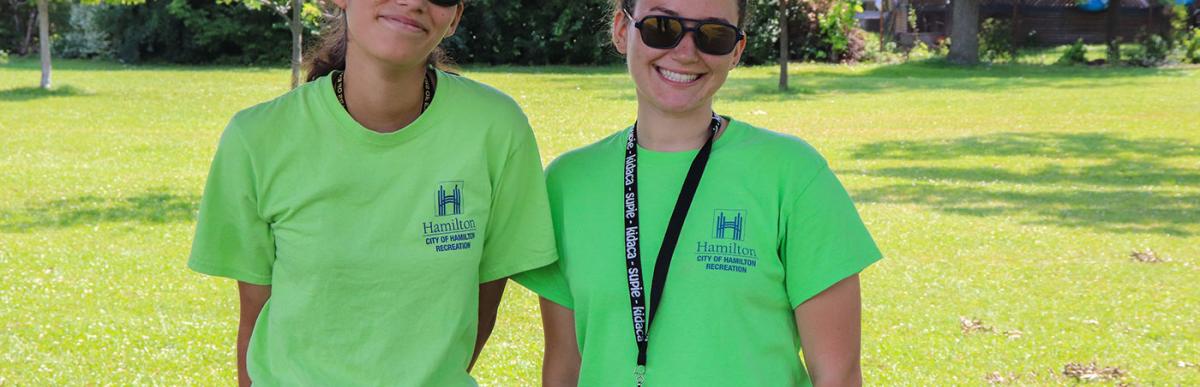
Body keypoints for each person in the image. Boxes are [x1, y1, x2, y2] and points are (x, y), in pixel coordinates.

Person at [187, 0, 557, 385]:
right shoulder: (256, 138)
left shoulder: (496, 129)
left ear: (455, 17)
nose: (414, 2)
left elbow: (479, 311)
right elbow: (254, 320)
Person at [514, 0, 882, 385]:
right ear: (622, 30)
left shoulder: (794, 175)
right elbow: (564, 367)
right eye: (661, 26)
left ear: (736, 50)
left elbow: (837, 375)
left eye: (714, 35)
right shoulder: (568, 182)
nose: (686, 52)